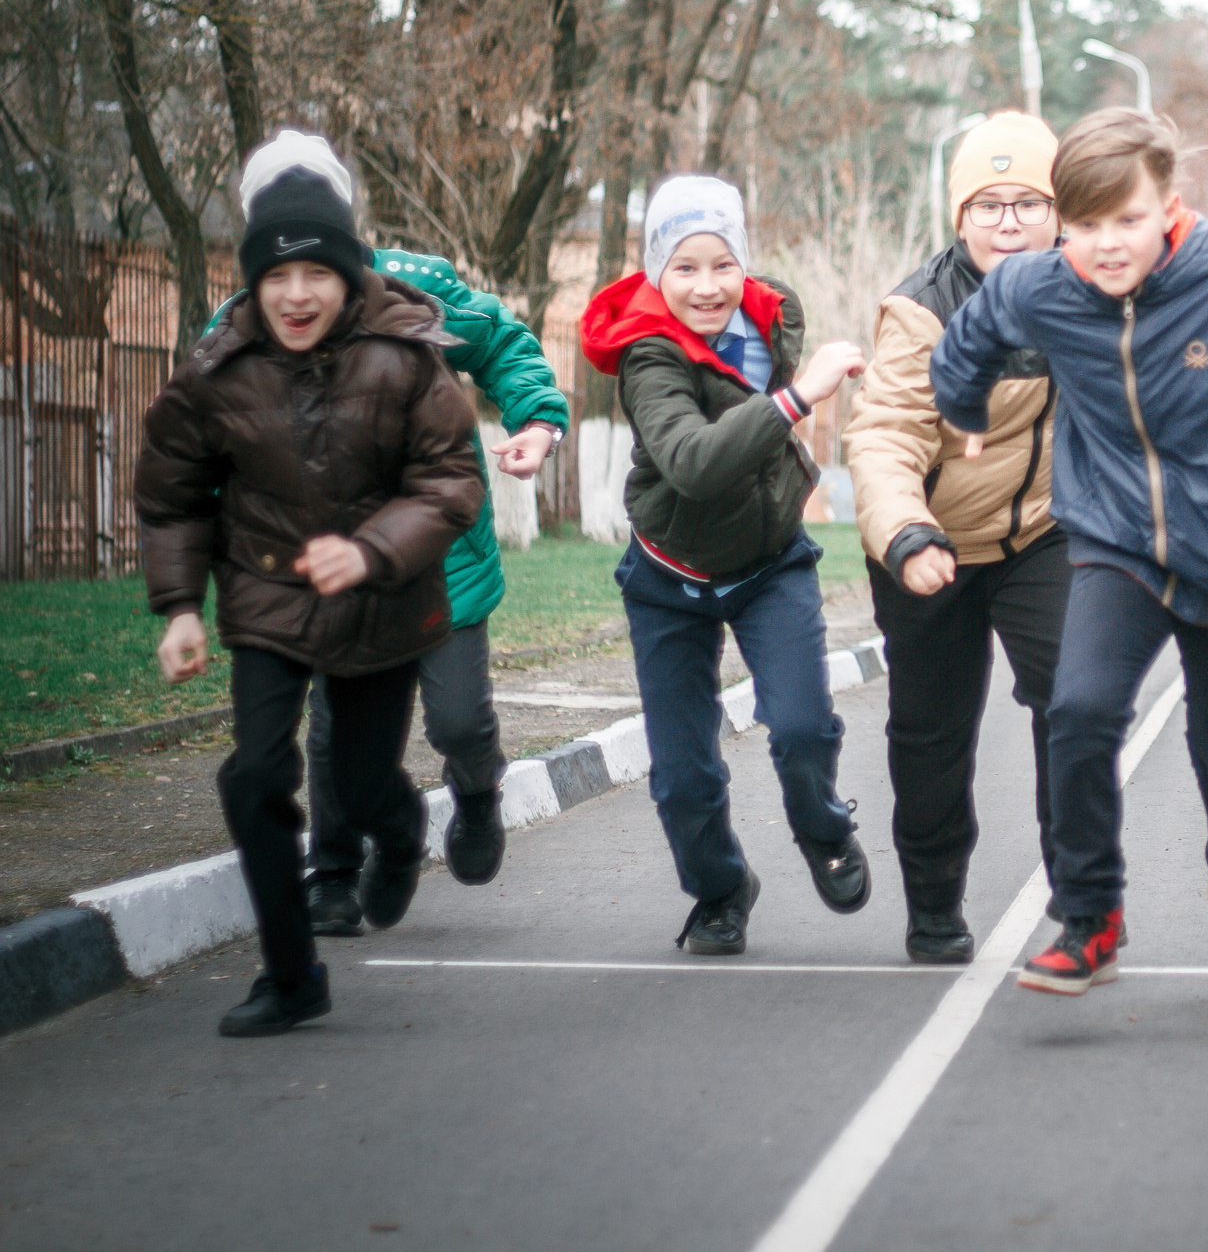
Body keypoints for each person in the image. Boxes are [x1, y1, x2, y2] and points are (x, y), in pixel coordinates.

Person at [931, 107, 1208, 1003]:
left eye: (1129, 221)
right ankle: (1090, 917)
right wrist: (968, 405)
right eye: (1087, 226)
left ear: (1168, 207)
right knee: (1079, 708)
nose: (1108, 246)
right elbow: (967, 341)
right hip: (1114, 541)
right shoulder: (1040, 285)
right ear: (1062, 222)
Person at [184, 141, 578, 935]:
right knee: (332, 725)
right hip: (327, 571)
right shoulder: (237, 326)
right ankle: (333, 872)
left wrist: (536, 421)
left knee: (458, 720)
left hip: (438, 563)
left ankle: (476, 792)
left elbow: (501, 342)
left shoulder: (414, 290)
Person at [138, 136, 483, 1035]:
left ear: (345, 271)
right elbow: (174, 492)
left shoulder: (409, 355)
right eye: (276, 277)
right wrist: (180, 607)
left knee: (364, 788)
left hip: (383, 603)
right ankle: (292, 976)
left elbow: (450, 483)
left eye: (316, 275)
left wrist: (371, 551)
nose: (297, 295)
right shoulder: (217, 369)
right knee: (253, 777)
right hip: (269, 596)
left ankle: (401, 829)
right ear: (253, 280)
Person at [579, 176, 871, 955]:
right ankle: (720, 888)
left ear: (744, 262)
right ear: (653, 273)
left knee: (803, 728)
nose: (706, 286)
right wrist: (796, 400)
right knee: (682, 776)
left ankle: (823, 826)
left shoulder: (771, 321)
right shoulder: (647, 356)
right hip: (669, 579)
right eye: (684, 268)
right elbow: (693, 462)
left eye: (721, 264)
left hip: (770, 563)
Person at [847, 112, 1067, 964]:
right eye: (988, 204)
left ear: (1058, 213)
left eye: (1027, 202)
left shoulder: (1089, 287)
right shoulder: (921, 310)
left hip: (1043, 535)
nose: (1008, 222)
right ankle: (935, 902)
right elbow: (885, 435)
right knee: (932, 734)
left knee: (1077, 694)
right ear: (960, 216)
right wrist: (906, 533)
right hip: (932, 544)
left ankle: (1079, 886)